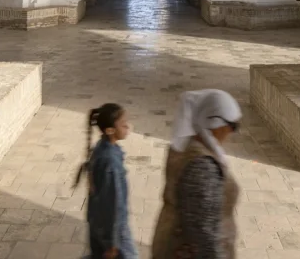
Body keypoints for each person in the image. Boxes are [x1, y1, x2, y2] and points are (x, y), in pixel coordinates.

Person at [152, 90, 242, 259]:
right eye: (233, 125)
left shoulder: (187, 146)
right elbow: (203, 232)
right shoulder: (202, 167)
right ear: (216, 123)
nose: (232, 132)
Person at [75, 103, 138, 259]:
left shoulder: (102, 148)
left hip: (98, 225)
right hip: (113, 232)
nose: (128, 127)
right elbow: (113, 204)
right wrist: (113, 243)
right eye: (123, 125)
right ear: (110, 130)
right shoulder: (110, 163)